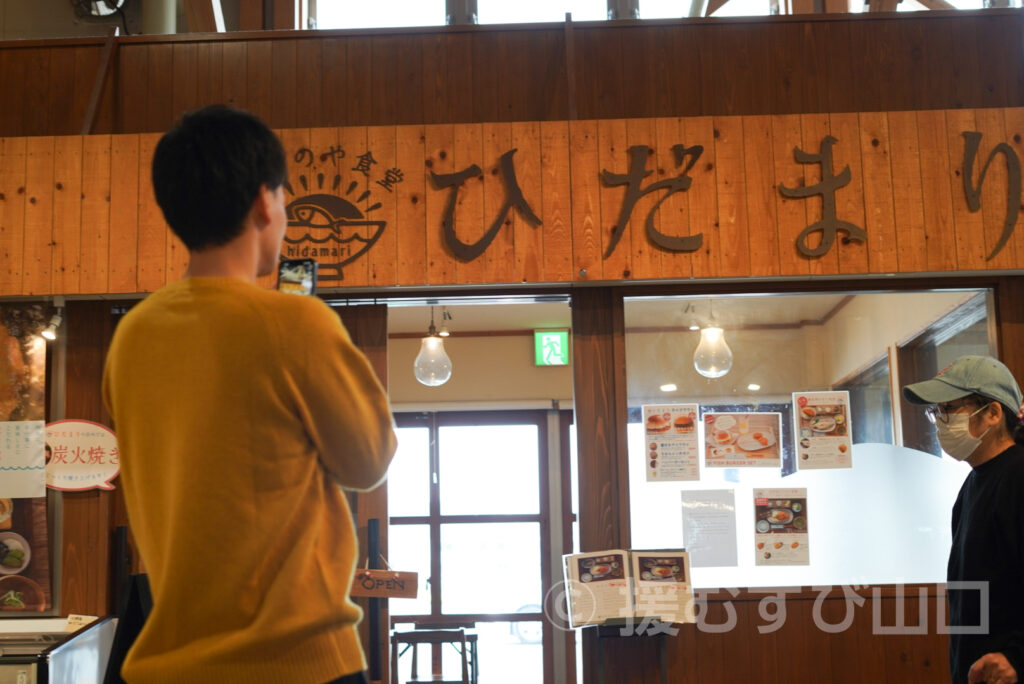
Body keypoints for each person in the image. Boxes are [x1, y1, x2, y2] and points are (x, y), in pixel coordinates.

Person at [102, 105, 397, 684]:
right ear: (266, 201)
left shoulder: (132, 335)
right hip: (297, 662)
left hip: (168, 666)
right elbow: (369, 461)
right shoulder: (295, 324)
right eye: (285, 200)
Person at [903, 355, 1024, 684]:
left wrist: (1018, 657)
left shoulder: (1017, 477)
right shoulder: (973, 484)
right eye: (935, 412)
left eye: (948, 409)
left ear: (993, 413)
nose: (939, 421)